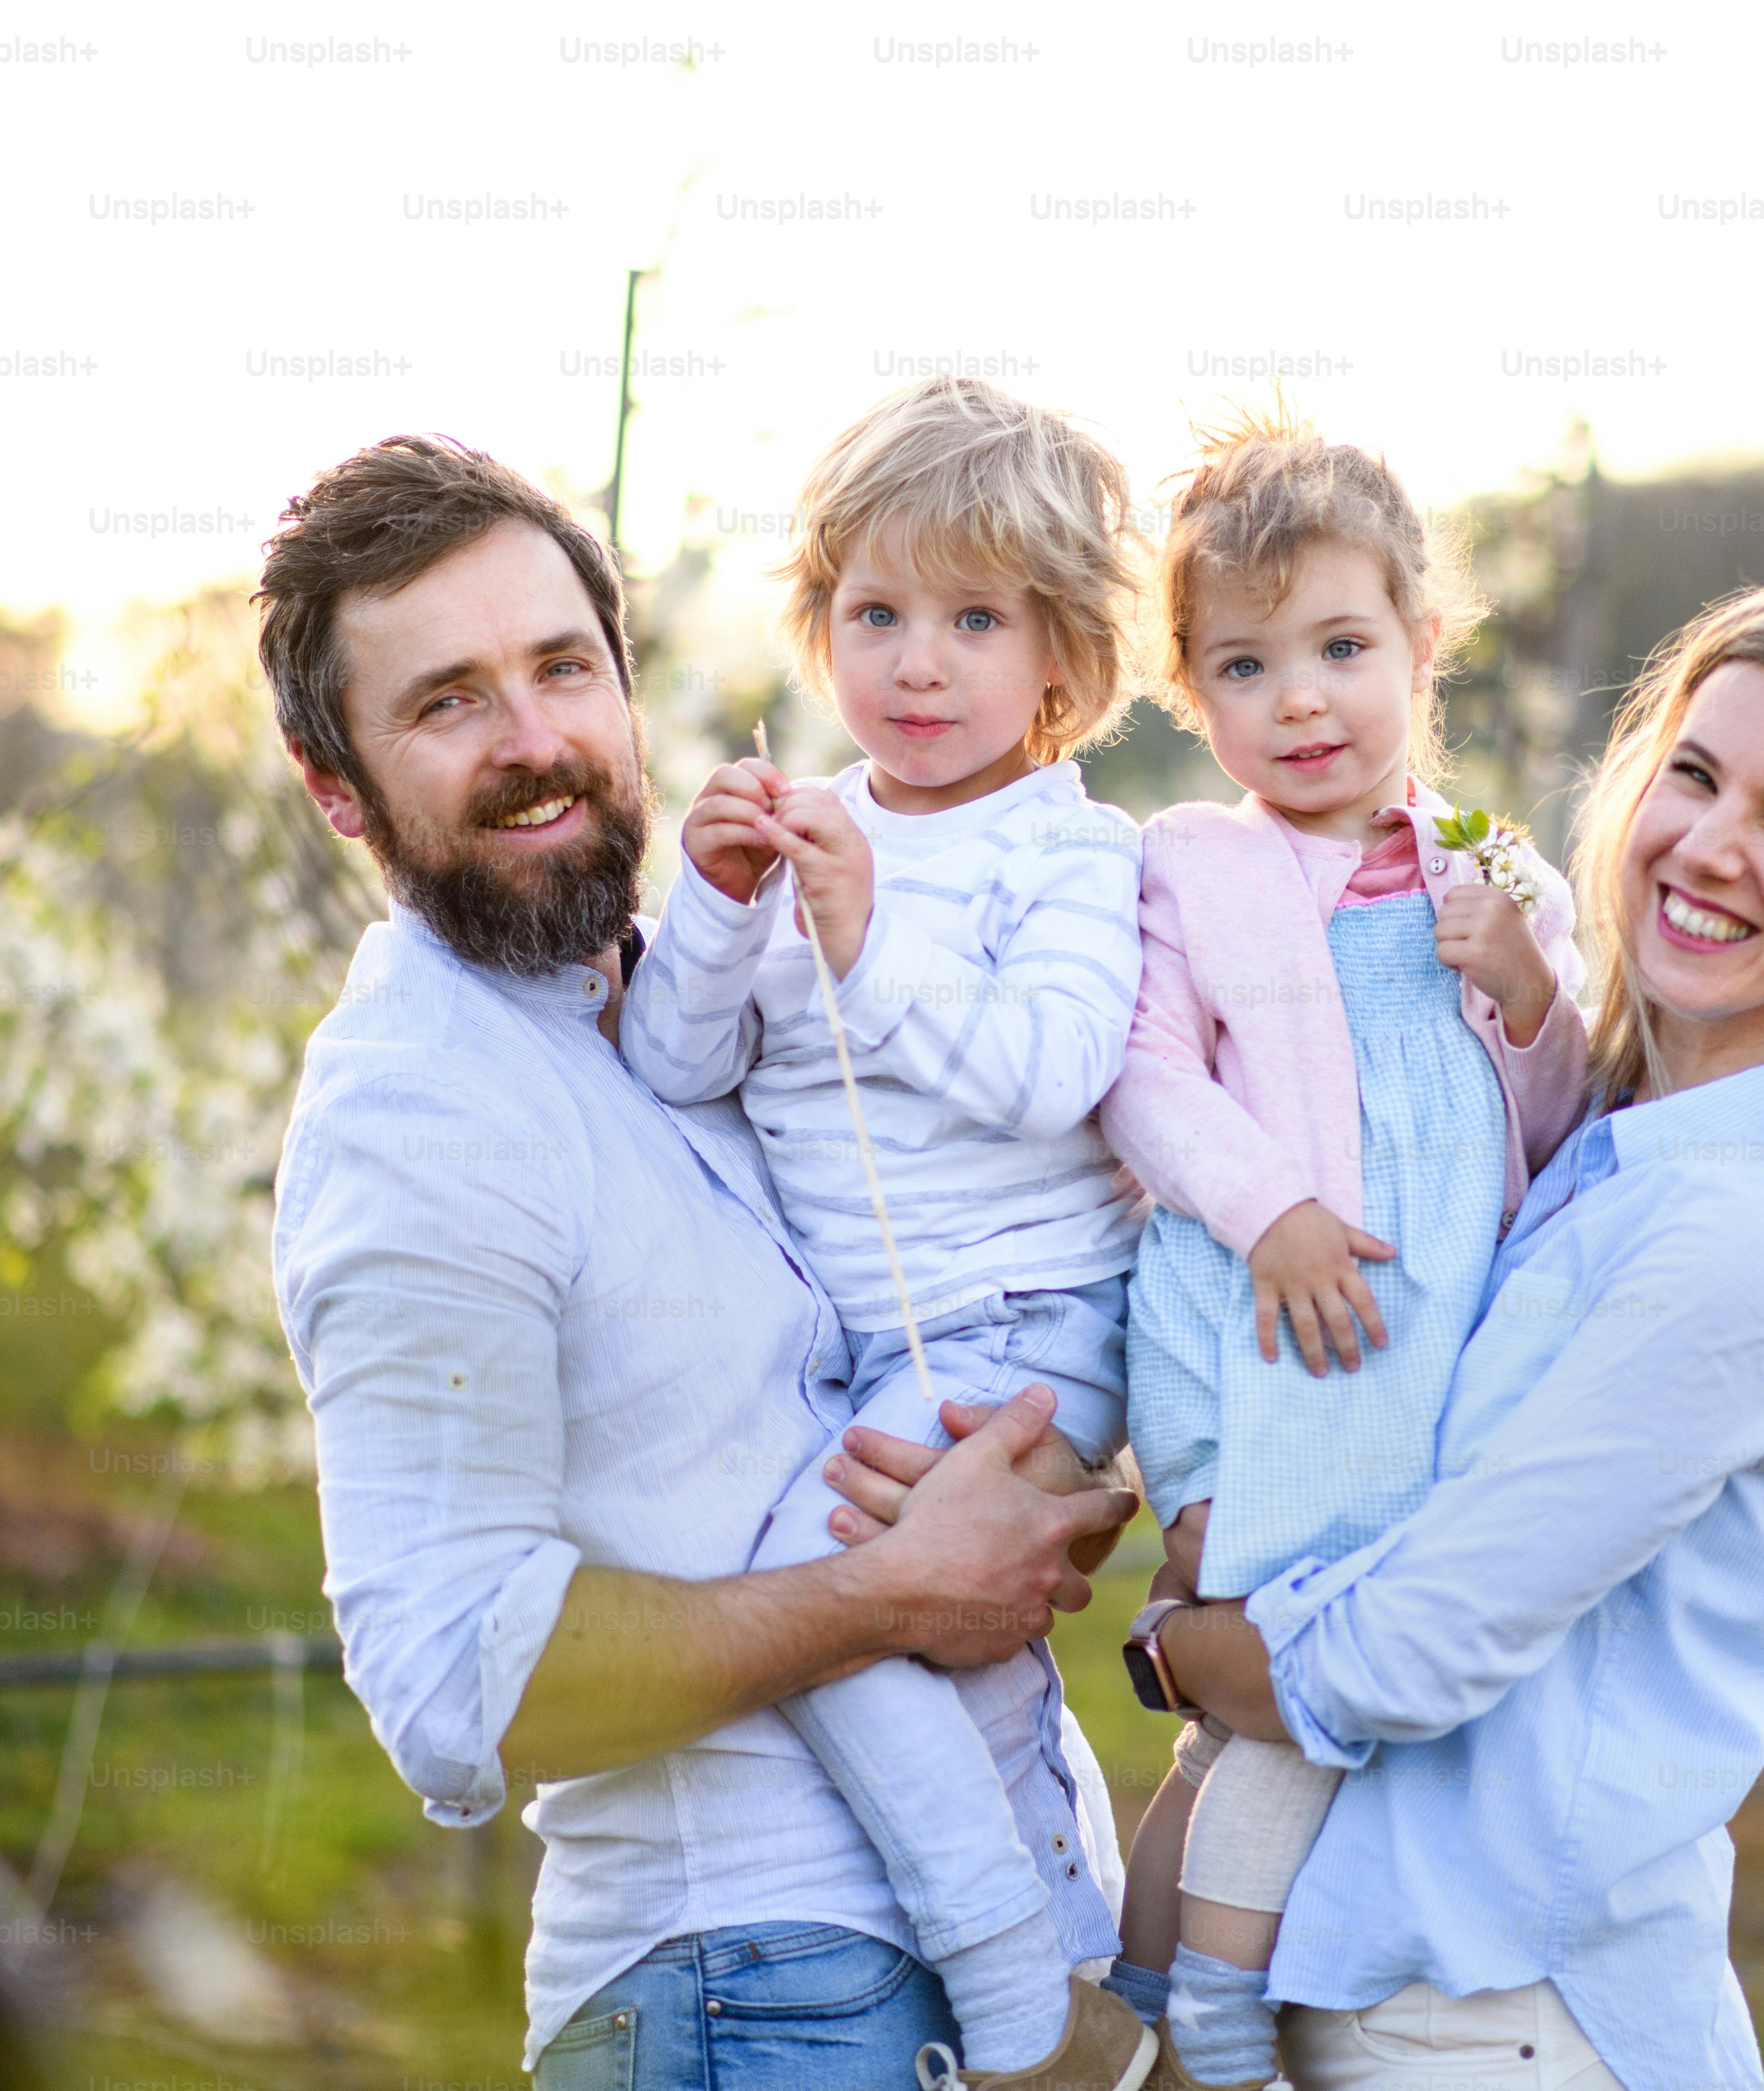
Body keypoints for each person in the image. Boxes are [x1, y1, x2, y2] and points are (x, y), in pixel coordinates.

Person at [843, 549, 1764, 2090]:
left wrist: (1180, 1641)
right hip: (1381, 1989)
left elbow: (1403, 1652)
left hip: (1495, 2021)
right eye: (1697, 779)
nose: (1707, 848)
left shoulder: (1760, 1231)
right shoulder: (1599, 1132)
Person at [257, 435, 1138, 2087]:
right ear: (339, 789)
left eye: (562, 669)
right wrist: (888, 1591)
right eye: (448, 703)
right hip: (748, 1998)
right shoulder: (416, 1113)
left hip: (956, 1955)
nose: (536, 743)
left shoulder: (701, 1004)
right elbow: (460, 1683)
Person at [619, 375, 1159, 2091]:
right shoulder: (804, 841)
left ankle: (1016, 1996)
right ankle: (1085, 1989)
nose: (919, 662)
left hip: (1030, 1328)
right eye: (878, 614)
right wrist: (711, 909)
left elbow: (1049, 1070)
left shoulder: (1070, 854)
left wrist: (866, 944)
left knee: (822, 1609)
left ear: (1061, 664)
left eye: (975, 619)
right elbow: (679, 1069)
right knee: (941, 1651)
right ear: (822, 630)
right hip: (870, 1351)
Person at [1090, 410, 1589, 2091]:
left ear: (1422, 646)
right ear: (1190, 690)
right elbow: (1146, 1084)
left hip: (1427, 1355)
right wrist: (1274, 1212)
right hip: (1261, 1335)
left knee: (1276, 1713)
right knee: (1289, 1696)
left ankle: (1156, 1994)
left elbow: (1560, 1114)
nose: (1299, 700)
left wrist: (1522, 984)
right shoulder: (1195, 869)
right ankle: (1219, 2020)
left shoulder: (1495, 869)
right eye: (1244, 665)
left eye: (1341, 648)